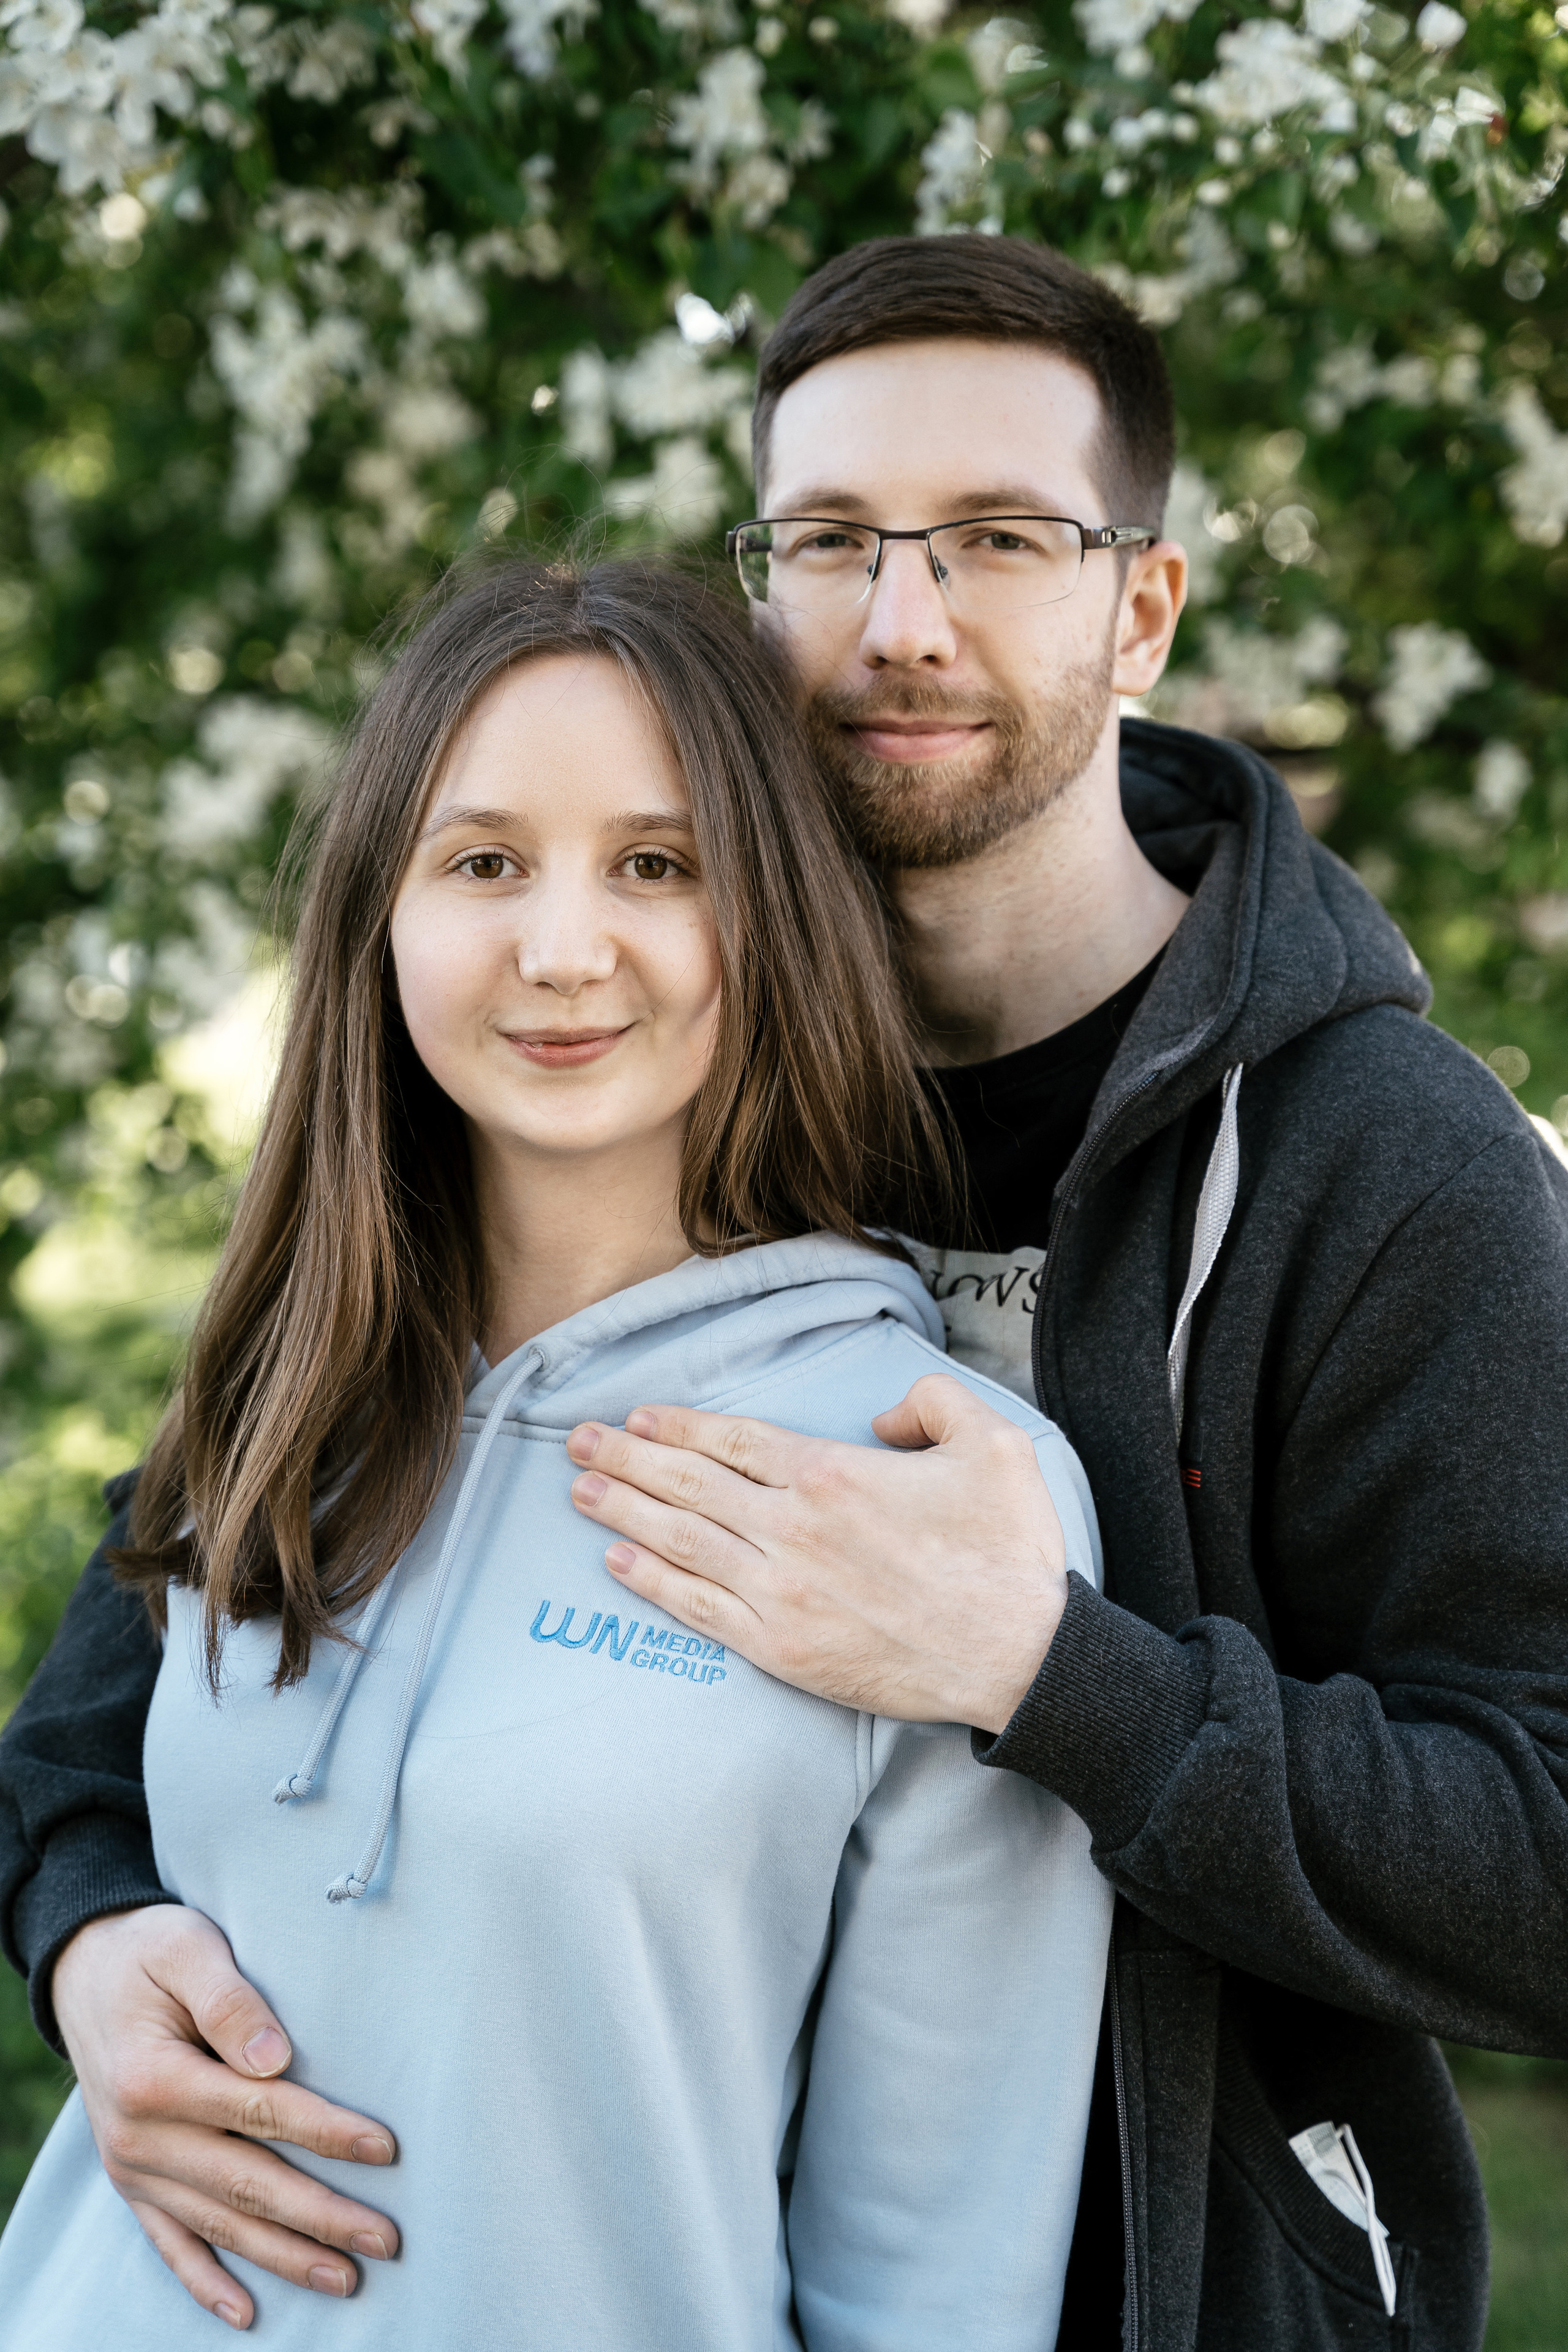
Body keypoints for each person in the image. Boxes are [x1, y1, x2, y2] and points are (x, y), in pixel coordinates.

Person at [3, 234, 1567, 2348]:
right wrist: (91, 1930)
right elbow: (156, 1658)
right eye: (834, 540)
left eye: (1001, 539)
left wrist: (1048, 1671)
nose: (903, 621)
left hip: (1159, 2272)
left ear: (1143, 603)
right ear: (760, 597)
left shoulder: (1371, 1163)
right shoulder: (611, 1088)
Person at [0, 557, 1111, 2346]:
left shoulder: (928, 1473)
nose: (565, 948)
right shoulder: (300, 1377)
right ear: (385, 915)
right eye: (487, 862)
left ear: (778, 917)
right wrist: (85, 1940)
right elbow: (89, 1793)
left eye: (658, 867)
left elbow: (941, 2277)